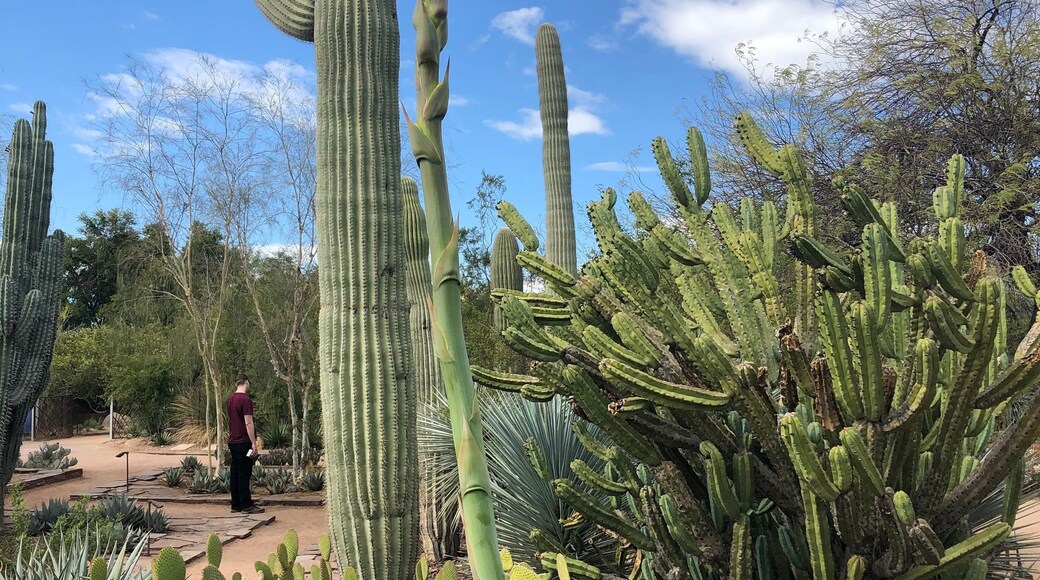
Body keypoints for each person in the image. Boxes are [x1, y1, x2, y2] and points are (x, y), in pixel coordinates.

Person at [227, 374, 263, 514]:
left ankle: (235, 504)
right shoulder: (246, 400)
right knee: (244, 473)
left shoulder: (230, 400)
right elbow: (248, 422)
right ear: (246, 383)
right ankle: (246, 504)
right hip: (243, 440)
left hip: (232, 441)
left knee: (235, 472)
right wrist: (253, 442)